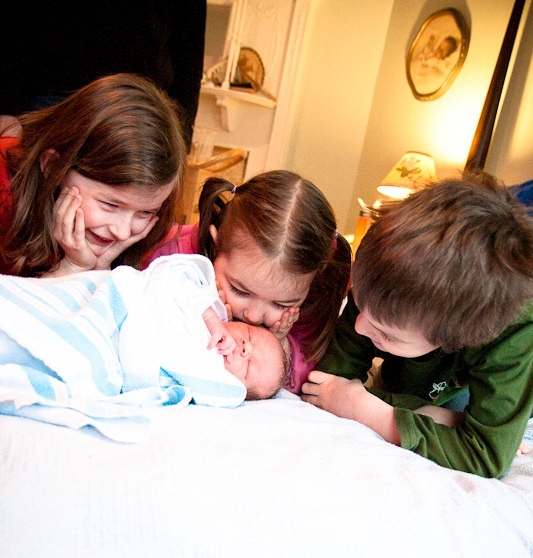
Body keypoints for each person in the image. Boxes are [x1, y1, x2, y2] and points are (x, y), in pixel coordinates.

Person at [301, 172, 533, 478]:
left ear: (456, 340)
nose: (359, 328)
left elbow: (486, 456)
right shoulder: (380, 280)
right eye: (358, 303)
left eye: (387, 334)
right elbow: (326, 387)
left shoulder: (512, 336)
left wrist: (370, 411)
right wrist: (441, 418)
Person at [0, 254, 287, 441]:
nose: (245, 348)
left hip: (114, 352)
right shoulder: (208, 306)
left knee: (55, 353)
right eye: (249, 335)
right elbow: (171, 275)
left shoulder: (209, 376)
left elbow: (219, 391)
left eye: (250, 366)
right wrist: (209, 314)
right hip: (111, 307)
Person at [144, 170, 353, 394]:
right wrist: (203, 315)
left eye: (280, 304)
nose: (253, 316)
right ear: (216, 244)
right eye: (240, 291)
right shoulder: (173, 257)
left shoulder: (315, 297)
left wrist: (278, 344)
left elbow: (308, 372)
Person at [0, 0, 206, 152]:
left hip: (140, 113)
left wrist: (181, 134)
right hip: (51, 101)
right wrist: (6, 109)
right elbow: (15, 2)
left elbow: (189, 41)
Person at [0, 73, 187, 278]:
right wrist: (70, 268)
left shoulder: (146, 237)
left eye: (145, 212)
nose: (122, 232)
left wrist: (100, 272)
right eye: (110, 205)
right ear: (53, 166)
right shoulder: (4, 187)